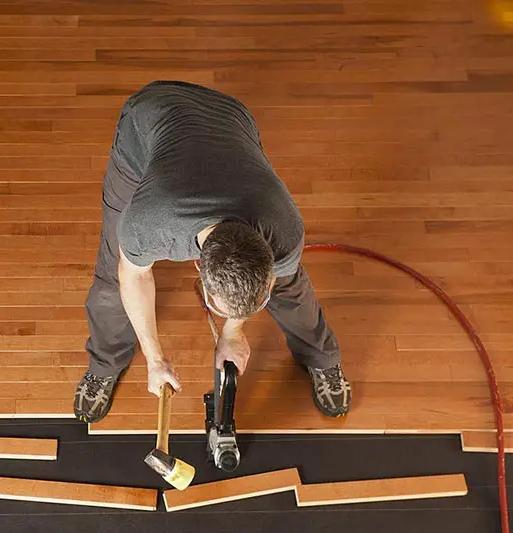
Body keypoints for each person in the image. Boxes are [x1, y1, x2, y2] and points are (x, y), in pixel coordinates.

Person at [73, 80, 351, 424]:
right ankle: (104, 362)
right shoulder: (150, 223)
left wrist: (233, 333)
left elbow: (265, 285)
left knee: (291, 283)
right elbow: (133, 276)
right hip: (149, 117)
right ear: (197, 267)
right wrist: (155, 361)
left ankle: (322, 358)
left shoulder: (283, 227)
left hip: (228, 115)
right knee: (113, 274)